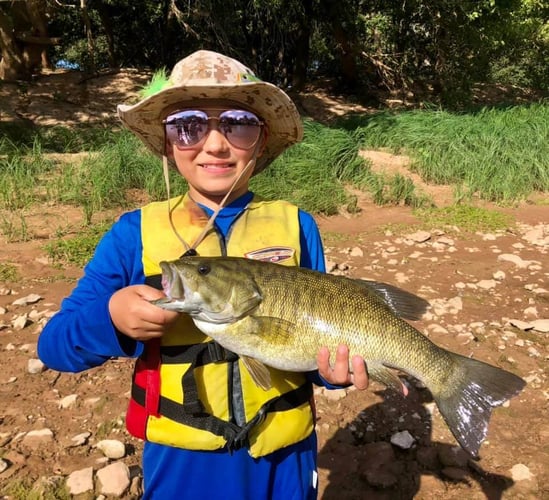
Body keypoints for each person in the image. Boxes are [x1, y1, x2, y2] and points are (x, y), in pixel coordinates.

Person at [37, 50, 369, 499]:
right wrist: (111, 317)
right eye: (188, 125)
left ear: (262, 138)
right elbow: (54, 346)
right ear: (167, 142)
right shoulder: (132, 234)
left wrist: (335, 370)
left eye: (238, 123)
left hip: (286, 457)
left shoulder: (298, 226)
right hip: (184, 464)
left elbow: (317, 339)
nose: (215, 144)